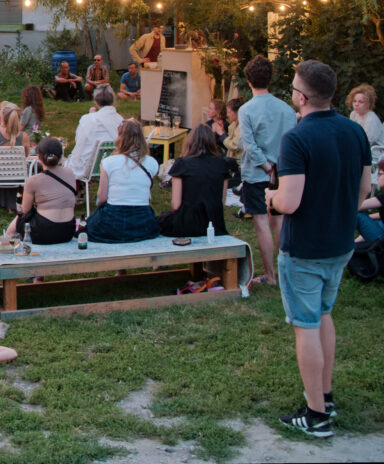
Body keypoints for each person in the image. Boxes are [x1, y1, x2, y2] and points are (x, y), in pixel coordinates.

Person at [265, 60, 372, 438]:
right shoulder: (354, 132)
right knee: (324, 314)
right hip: (341, 242)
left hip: (305, 246)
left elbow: (290, 202)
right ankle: (325, 397)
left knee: (306, 324)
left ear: (302, 96)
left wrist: (271, 197)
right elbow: (364, 192)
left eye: (294, 87)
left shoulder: (297, 138)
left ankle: (315, 415)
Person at [238, 55, 298, 286]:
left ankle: (271, 275)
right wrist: (276, 167)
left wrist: (266, 166)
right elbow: (292, 141)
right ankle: (285, 273)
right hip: (282, 171)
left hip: (258, 173)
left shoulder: (247, 109)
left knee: (262, 223)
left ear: (249, 80)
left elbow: (250, 145)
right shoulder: (287, 109)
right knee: (280, 221)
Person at [84, 120, 160, 242]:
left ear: (120, 138)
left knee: (87, 226)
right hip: (142, 220)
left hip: (113, 219)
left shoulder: (108, 162)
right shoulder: (152, 163)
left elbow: (102, 198)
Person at [158, 124, 235, 238]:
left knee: (159, 221)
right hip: (214, 223)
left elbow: (175, 205)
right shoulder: (222, 164)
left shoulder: (182, 163)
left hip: (187, 223)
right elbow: (220, 201)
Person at [1, 137, 78, 245]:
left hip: (45, 232)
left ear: (39, 158)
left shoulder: (33, 180)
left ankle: (6, 241)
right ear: (60, 157)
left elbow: (25, 210)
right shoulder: (70, 173)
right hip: (68, 230)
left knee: (20, 218)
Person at [66, 85, 124, 183]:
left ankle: (78, 192)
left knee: (69, 163)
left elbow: (79, 142)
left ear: (96, 102)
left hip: (89, 168)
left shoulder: (87, 119)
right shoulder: (121, 121)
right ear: (113, 101)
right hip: (114, 168)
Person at [346, 84, 384, 167]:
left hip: (376, 152)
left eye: (360, 102)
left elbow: (368, 142)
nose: (356, 104)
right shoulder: (354, 114)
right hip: (359, 147)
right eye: (354, 101)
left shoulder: (371, 119)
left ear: (368, 104)